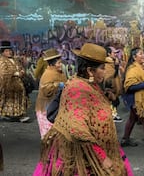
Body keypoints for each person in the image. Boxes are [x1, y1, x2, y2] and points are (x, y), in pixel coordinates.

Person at [33, 43, 132, 176]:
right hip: (79, 152)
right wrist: (102, 158)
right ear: (90, 71)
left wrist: (105, 97)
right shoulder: (77, 89)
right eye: (102, 68)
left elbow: (90, 105)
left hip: (96, 145)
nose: (105, 70)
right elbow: (77, 128)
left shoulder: (86, 83)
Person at [35, 48, 67, 139]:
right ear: (52, 64)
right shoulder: (48, 74)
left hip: (55, 107)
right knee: (48, 135)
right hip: (46, 109)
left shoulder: (59, 73)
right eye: (58, 63)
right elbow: (46, 89)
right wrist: (58, 85)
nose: (60, 65)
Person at [0, 41, 30, 123]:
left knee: (19, 99)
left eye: (10, 50)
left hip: (19, 84)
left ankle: (19, 115)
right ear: (3, 52)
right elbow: (3, 73)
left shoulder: (15, 60)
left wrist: (22, 72)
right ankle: (18, 116)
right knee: (9, 100)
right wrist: (15, 73)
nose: (9, 52)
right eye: (6, 51)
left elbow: (21, 68)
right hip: (9, 85)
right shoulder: (2, 61)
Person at [103, 46, 123, 123]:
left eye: (116, 53)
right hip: (110, 87)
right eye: (114, 53)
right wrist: (117, 66)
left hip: (114, 87)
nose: (116, 54)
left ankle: (113, 115)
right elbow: (110, 76)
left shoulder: (113, 61)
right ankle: (112, 115)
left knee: (115, 102)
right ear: (108, 54)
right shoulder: (108, 62)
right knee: (113, 102)